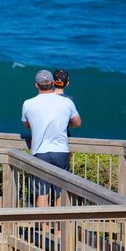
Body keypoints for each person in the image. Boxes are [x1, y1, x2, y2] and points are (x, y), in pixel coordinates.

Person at [21, 70, 81, 208]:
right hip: (61, 151)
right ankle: (60, 229)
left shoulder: (28, 103)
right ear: (53, 83)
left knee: (41, 192)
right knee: (61, 190)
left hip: (39, 152)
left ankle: (44, 228)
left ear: (36, 85)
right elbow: (77, 123)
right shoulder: (66, 102)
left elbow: (26, 124)